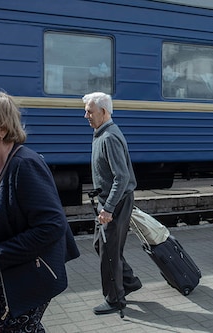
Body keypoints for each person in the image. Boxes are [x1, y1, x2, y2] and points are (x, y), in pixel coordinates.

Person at [0, 88, 80, 332]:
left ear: (2, 129)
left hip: (25, 282)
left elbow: (52, 227)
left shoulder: (24, 165)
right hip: (1, 281)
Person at [82, 92, 142, 315]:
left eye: (90, 111)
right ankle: (129, 282)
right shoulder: (101, 133)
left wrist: (108, 208)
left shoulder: (108, 137)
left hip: (115, 202)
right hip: (109, 200)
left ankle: (115, 299)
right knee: (104, 246)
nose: (85, 115)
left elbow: (122, 177)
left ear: (104, 112)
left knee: (109, 251)